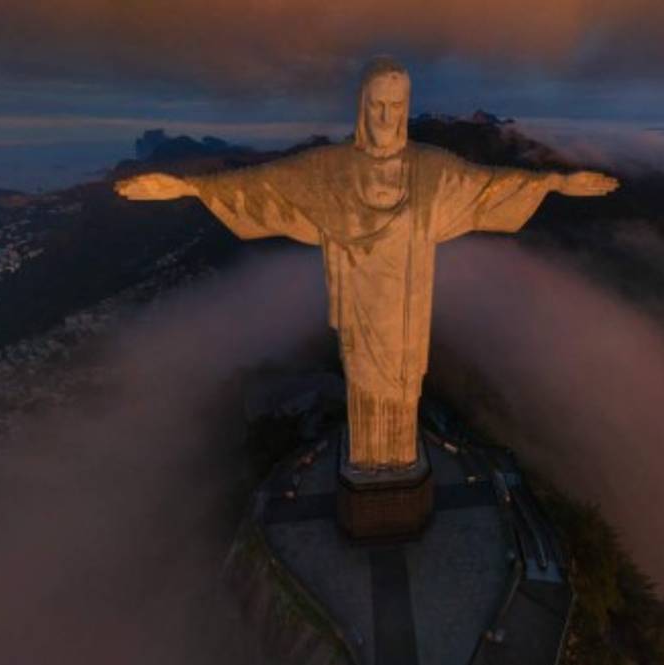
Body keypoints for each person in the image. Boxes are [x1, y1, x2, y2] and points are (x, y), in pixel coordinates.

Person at [115, 56, 618, 470]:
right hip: (361, 309)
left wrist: (553, 183)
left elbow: (489, 186)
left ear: (405, 110)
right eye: (376, 106)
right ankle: (369, 468)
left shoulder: (431, 171)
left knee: (402, 393)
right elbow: (262, 186)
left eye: (395, 108)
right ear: (362, 108)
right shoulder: (330, 172)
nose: (385, 118)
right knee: (364, 392)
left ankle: (399, 467)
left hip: (405, 315)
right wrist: (187, 187)